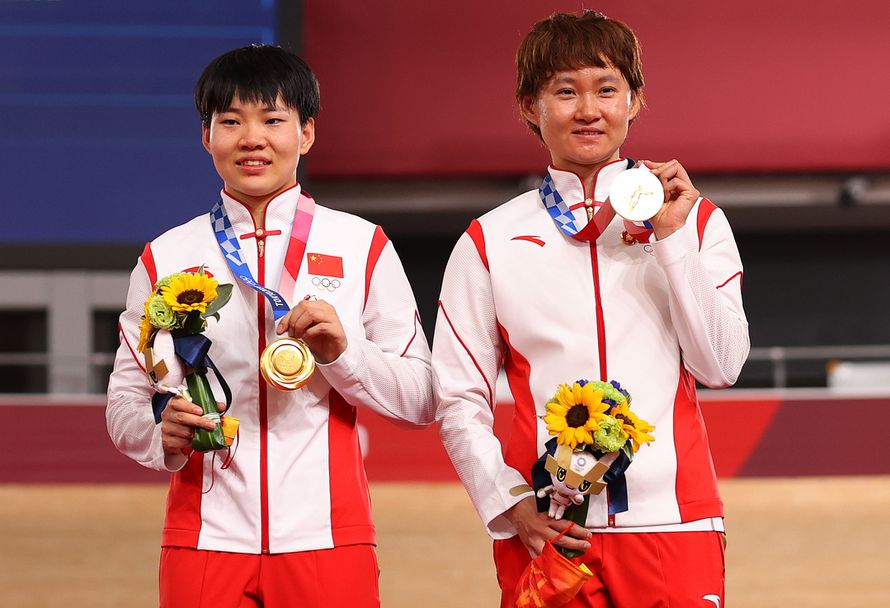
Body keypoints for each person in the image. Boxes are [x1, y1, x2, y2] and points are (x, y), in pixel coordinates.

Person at [433, 10, 749, 607]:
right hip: (549, 530)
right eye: (565, 91)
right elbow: (457, 395)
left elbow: (722, 365)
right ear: (529, 106)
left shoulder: (695, 220)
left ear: (635, 101)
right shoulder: (488, 240)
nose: (588, 110)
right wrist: (508, 503)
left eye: (606, 90)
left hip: (675, 523)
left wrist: (671, 239)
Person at [106, 44, 433, 607]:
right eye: (231, 121)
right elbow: (125, 403)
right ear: (206, 136)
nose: (252, 139)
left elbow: (422, 398)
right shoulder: (166, 256)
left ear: (306, 133)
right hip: (203, 539)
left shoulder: (362, 245)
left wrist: (344, 354)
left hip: (328, 537)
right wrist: (160, 431)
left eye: (273, 120)